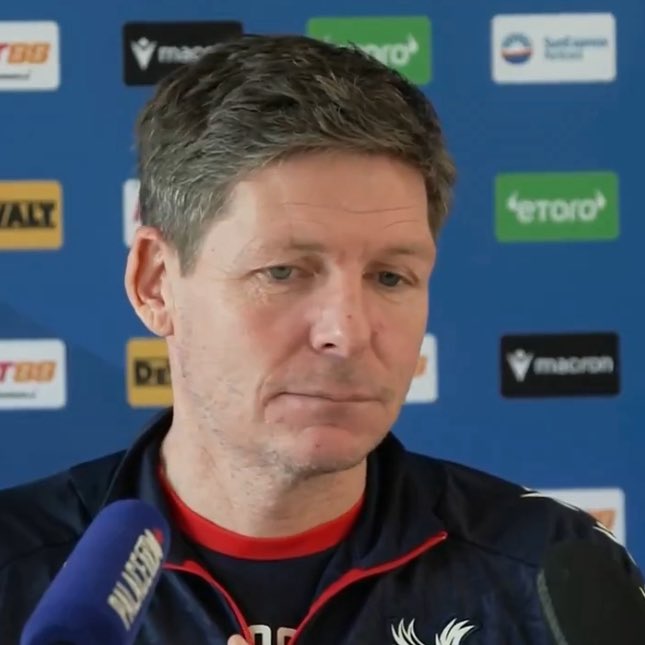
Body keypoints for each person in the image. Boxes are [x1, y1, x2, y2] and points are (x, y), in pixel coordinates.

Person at [0, 34, 642, 645]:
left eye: (390, 277)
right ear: (156, 284)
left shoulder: (552, 579)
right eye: (283, 272)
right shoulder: (15, 569)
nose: (347, 333)